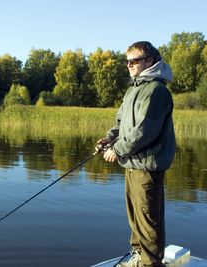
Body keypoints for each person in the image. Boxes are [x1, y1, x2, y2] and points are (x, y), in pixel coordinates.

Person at [97, 41, 176, 267]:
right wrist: (110, 138)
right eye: (127, 61)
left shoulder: (156, 91)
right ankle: (138, 258)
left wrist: (117, 150)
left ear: (150, 61)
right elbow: (121, 123)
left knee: (148, 220)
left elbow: (144, 131)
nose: (129, 65)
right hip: (132, 164)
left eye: (135, 60)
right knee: (135, 217)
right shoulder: (134, 89)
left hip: (147, 166)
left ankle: (150, 263)